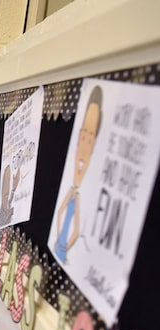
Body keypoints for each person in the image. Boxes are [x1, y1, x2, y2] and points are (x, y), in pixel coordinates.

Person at [54, 85, 102, 263]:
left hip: (62, 246)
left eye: (90, 140)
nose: (83, 149)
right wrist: (60, 238)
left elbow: (75, 229)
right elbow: (60, 213)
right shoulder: (72, 191)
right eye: (82, 137)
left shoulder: (78, 195)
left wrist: (64, 244)